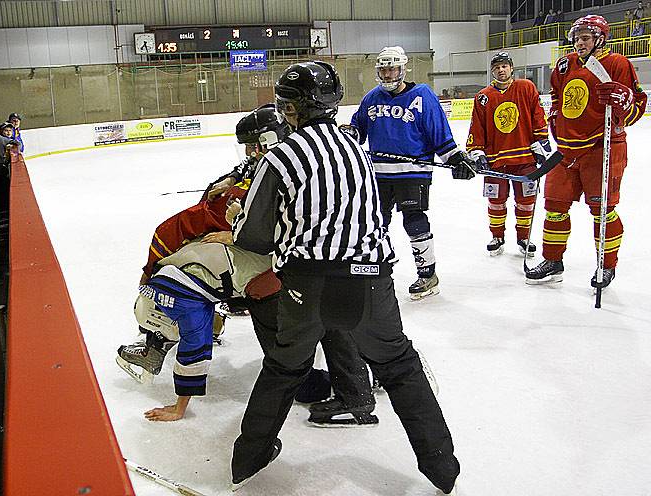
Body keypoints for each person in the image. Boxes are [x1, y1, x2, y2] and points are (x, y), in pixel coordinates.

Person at [229, 61, 459, 495]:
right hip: (371, 278)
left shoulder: (280, 156)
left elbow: (254, 238)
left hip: (307, 281)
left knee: (284, 368)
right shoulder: (358, 146)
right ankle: (441, 467)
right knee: (399, 367)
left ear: (291, 109)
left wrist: (244, 219)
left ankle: (248, 460)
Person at [120, 105, 375, 424]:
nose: (249, 153)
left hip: (289, 267)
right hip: (281, 268)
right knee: (319, 325)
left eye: (252, 146)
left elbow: (287, 223)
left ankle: (355, 381)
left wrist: (237, 232)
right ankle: (363, 375)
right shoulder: (288, 157)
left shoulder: (288, 166)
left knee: (311, 333)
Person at [343, 46, 478, 300]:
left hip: (412, 171)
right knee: (374, 222)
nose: (387, 74)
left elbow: (439, 133)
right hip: (379, 174)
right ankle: (376, 268)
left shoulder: (422, 95)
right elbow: (359, 130)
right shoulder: (372, 97)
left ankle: (428, 275)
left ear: (402, 69)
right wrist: (350, 133)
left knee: (414, 221)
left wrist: (455, 158)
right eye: (383, 69)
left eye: (391, 68)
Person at [526, 15, 646, 288]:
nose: (579, 42)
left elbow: (637, 104)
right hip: (566, 151)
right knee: (554, 207)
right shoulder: (564, 64)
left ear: (600, 39)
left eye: (586, 38)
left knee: (602, 211)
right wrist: (555, 120)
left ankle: (606, 265)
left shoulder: (617, 63)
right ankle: (553, 261)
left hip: (602, 147)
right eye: (577, 37)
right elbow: (557, 97)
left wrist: (624, 102)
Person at [467, 51, 548, 257]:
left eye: (504, 66)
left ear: (511, 68)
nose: (501, 70)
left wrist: (541, 143)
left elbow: (538, 115)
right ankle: (497, 236)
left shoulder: (526, 87)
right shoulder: (483, 97)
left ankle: (523, 237)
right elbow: (477, 126)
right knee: (496, 201)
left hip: (525, 157)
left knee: (526, 201)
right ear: (492, 71)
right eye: (496, 67)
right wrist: (477, 151)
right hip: (495, 160)